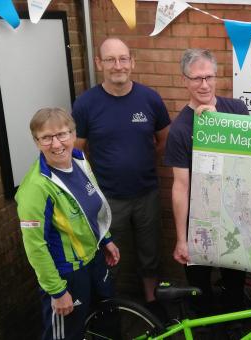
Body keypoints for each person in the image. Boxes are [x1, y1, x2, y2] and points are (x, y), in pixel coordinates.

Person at [72, 37, 171, 303]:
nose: (118, 65)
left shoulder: (150, 99)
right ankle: (109, 308)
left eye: (123, 58)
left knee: (150, 254)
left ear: (132, 62)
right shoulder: (86, 104)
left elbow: (163, 139)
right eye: (110, 59)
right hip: (107, 199)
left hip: (146, 193)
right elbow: (76, 152)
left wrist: (140, 160)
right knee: (108, 256)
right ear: (99, 63)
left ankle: (152, 304)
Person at [16, 107, 120, 340]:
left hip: (94, 261)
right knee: (67, 335)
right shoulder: (35, 188)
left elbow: (90, 207)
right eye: (46, 138)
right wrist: (57, 291)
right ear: (36, 142)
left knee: (107, 323)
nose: (56, 144)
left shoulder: (79, 159)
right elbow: (35, 247)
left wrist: (106, 238)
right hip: (67, 275)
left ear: (73, 134)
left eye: (62, 134)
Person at [164, 48, 249, 321]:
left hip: (234, 214)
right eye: (196, 78)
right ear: (184, 81)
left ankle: (234, 327)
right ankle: (205, 328)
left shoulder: (237, 110)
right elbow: (180, 186)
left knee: (235, 284)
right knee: (199, 289)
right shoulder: (179, 129)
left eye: (209, 77)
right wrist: (181, 238)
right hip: (199, 223)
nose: (204, 84)